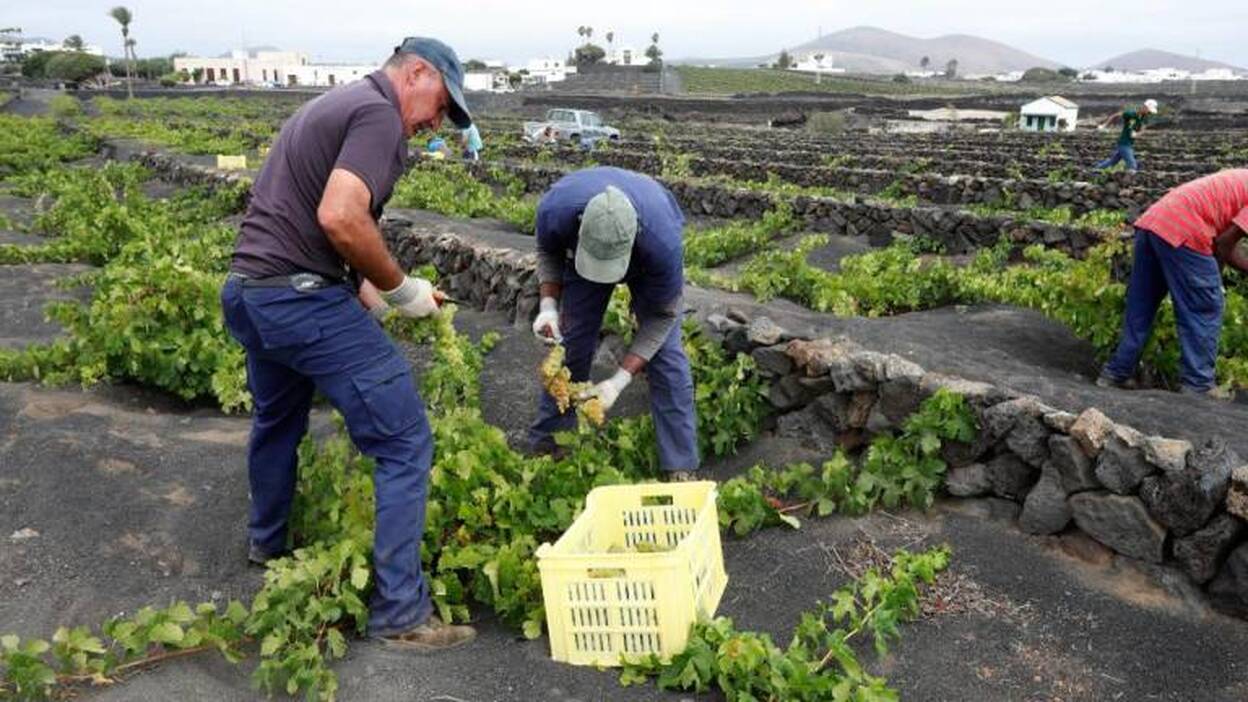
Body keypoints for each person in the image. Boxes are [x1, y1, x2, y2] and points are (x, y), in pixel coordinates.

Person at [219, 36, 477, 649]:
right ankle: (401, 615)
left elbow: (312, 222)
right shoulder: (379, 115)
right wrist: (400, 287)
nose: (435, 123)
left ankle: (268, 544)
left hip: (252, 292)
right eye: (441, 106)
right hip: (299, 298)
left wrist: (373, 294)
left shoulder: (335, 103)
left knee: (279, 420)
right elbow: (340, 217)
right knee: (404, 438)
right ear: (416, 74)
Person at [526, 167, 699, 480]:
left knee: (668, 357)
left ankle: (679, 464)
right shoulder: (557, 210)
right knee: (571, 343)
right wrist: (549, 307)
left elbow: (662, 317)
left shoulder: (662, 244)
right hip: (585, 250)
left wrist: (619, 380)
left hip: (648, 239)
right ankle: (551, 442)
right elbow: (548, 252)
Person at [1098, 169, 1248, 396]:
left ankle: (1116, 372)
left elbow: (1225, 239)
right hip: (1186, 229)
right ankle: (1196, 386)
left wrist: (1215, 272)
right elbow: (1225, 243)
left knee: (1142, 304)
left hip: (1154, 220)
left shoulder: (1240, 177)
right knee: (1205, 308)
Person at [1095, 99, 1158, 172]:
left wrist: (1137, 134)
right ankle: (1130, 181)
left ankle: (1095, 169)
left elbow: (1143, 129)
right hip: (1123, 143)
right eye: (1149, 110)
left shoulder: (1144, 118)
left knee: (1112, 162)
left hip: (1129, 144)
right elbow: (1115, 115)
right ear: (1145, 107)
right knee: (1132, 165)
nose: (1149, 113)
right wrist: (1104, 125)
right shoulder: (1131, 114)